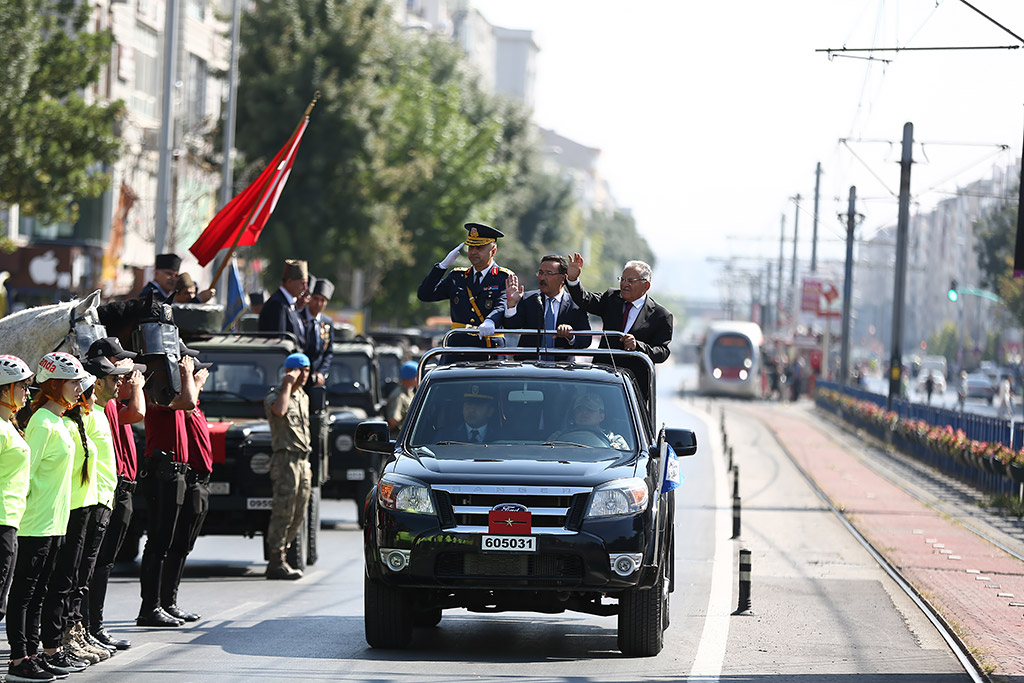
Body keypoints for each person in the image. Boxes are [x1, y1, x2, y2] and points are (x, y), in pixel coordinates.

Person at [8, 352, 90, 679]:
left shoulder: (60, 421)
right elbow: (26, 475)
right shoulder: (42, 421)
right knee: (25, 594)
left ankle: (34, 653)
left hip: (55, 521)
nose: (77, 387)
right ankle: (20, 657)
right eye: (72, 382)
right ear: (54, 384)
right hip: (34, 522)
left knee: (40, 592)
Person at [48, 359, 129, 665]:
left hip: (101, 501)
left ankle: (77, 630)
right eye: (112, 378)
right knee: (72, 575)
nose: (119, 382)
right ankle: (66, 636)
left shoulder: (96, 414)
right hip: (87, 503)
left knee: (82, 576)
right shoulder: (79, 417)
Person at [85, 338, 144, 651]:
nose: (123, 370)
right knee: (95, 563)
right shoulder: (100, 402)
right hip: (108, 489)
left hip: (121, 488)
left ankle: (94, 627)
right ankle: (87, 628)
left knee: (104, 562)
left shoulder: (108, 400)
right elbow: (138, 412)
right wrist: (136, 387)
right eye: (116, 364)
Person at [136, 354, 197, 627]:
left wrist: (190, 380)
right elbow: (189, 402)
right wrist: (187, 376)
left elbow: (190, 405)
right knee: (158, 542)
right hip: (163, 470)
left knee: (170, 543)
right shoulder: (155, 395)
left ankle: (165, 603)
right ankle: (149, 608)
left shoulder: (170, 398)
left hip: (176, 471)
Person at [161, 351, 212, 622]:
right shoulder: (186, 405)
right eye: (197, 372)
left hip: (201, 483)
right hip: (191, 481)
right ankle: (166, 602)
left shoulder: (195, 405)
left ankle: (169, 601)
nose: (202, 376)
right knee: (177, 545)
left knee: (184, 546)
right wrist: (191, 380)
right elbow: (188, 401)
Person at [417, 223, 512, 348]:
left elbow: (502, 304)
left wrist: (491, 320)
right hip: (458, 346)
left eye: (479, 248)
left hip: (488, 346)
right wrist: (441, 267)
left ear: (493, 251)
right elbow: (425, 295)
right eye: (471, 247)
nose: (473, 252)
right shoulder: (458, 276)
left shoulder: (503, 277)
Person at [264, 353, 313, 580]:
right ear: (289, 371)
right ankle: (276, 560)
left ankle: (284, 552)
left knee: (300, 511)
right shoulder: (277, 395)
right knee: (283, 510)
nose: (304, 375)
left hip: (302, 460)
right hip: (285, 460)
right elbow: (279, 411)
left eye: (307, 370)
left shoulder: (303, 396)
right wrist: (287, 385)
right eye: (299, 370)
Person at [496, 254, 591, 356]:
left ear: (563, 278)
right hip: (531, 366)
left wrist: (570, 335)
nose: (542, 277)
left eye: (548, 273)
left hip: (561, 367)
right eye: (540, 273)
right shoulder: (529, 299)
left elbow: (586, 340)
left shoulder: (575, 304)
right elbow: (511, 326)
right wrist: (511, 304)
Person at [0, 356, 32, 623]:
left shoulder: (9, 425)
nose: (26, 392)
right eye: (21, 386)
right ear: (3, 389)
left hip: (11, 518)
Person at [548, 393, 628, 450]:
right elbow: (545, 453)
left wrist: (615, 450)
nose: (584, 413)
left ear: (601, 416)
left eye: (590, 409)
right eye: (579, 409)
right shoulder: (557, 437)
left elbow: (623, 462)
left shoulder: (615, 440)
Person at [259, 259, 309, 342]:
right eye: (302, 283)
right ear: (289, 282)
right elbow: (278, 342)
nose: (305, 288)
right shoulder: (277, 305)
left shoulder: (289, 304)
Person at [304, 278, 334, 387]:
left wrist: (321, 372)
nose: (319, 303)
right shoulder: (299, 317)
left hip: (317, 379)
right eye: (315, 299)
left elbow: (328, 352)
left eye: (323, 300)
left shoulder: (327, 322)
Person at [386, 361, 419, 433]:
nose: (417, 379)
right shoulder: (399, 396)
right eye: (416, 376)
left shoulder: (410, 393)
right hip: (399, 436)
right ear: (410, 378)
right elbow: (393, 420)